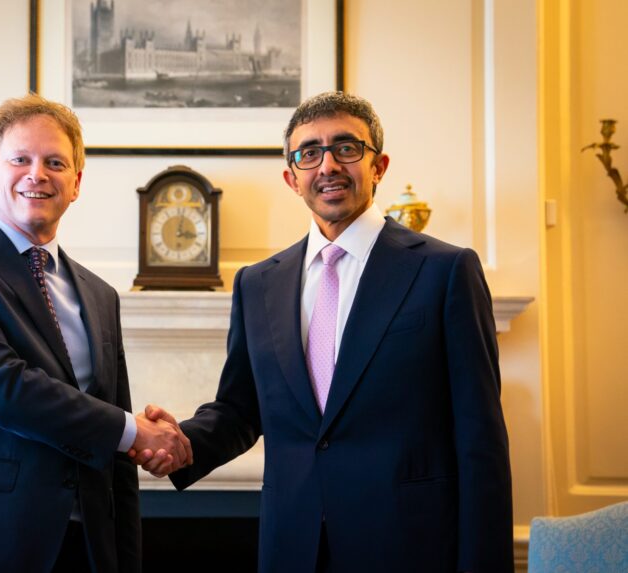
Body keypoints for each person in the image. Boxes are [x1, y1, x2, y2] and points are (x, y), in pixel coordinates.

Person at [135, 91, 514, 572]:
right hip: (292, 545)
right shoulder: (258, 284)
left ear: (379, 166)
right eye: (309, 153)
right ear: (291, 178)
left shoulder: (445, 271)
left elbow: (480, 438)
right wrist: (181, 444)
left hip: (410, 545)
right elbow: (239, 409)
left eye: (347, 148)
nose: (328, 165)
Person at [0, 94, 191, 573]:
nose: (37, 174)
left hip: (81, 545)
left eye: (55, 162)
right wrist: (134, 430)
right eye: (20, 159)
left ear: (76, 183)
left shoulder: (100, 294)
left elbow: (114, 453)